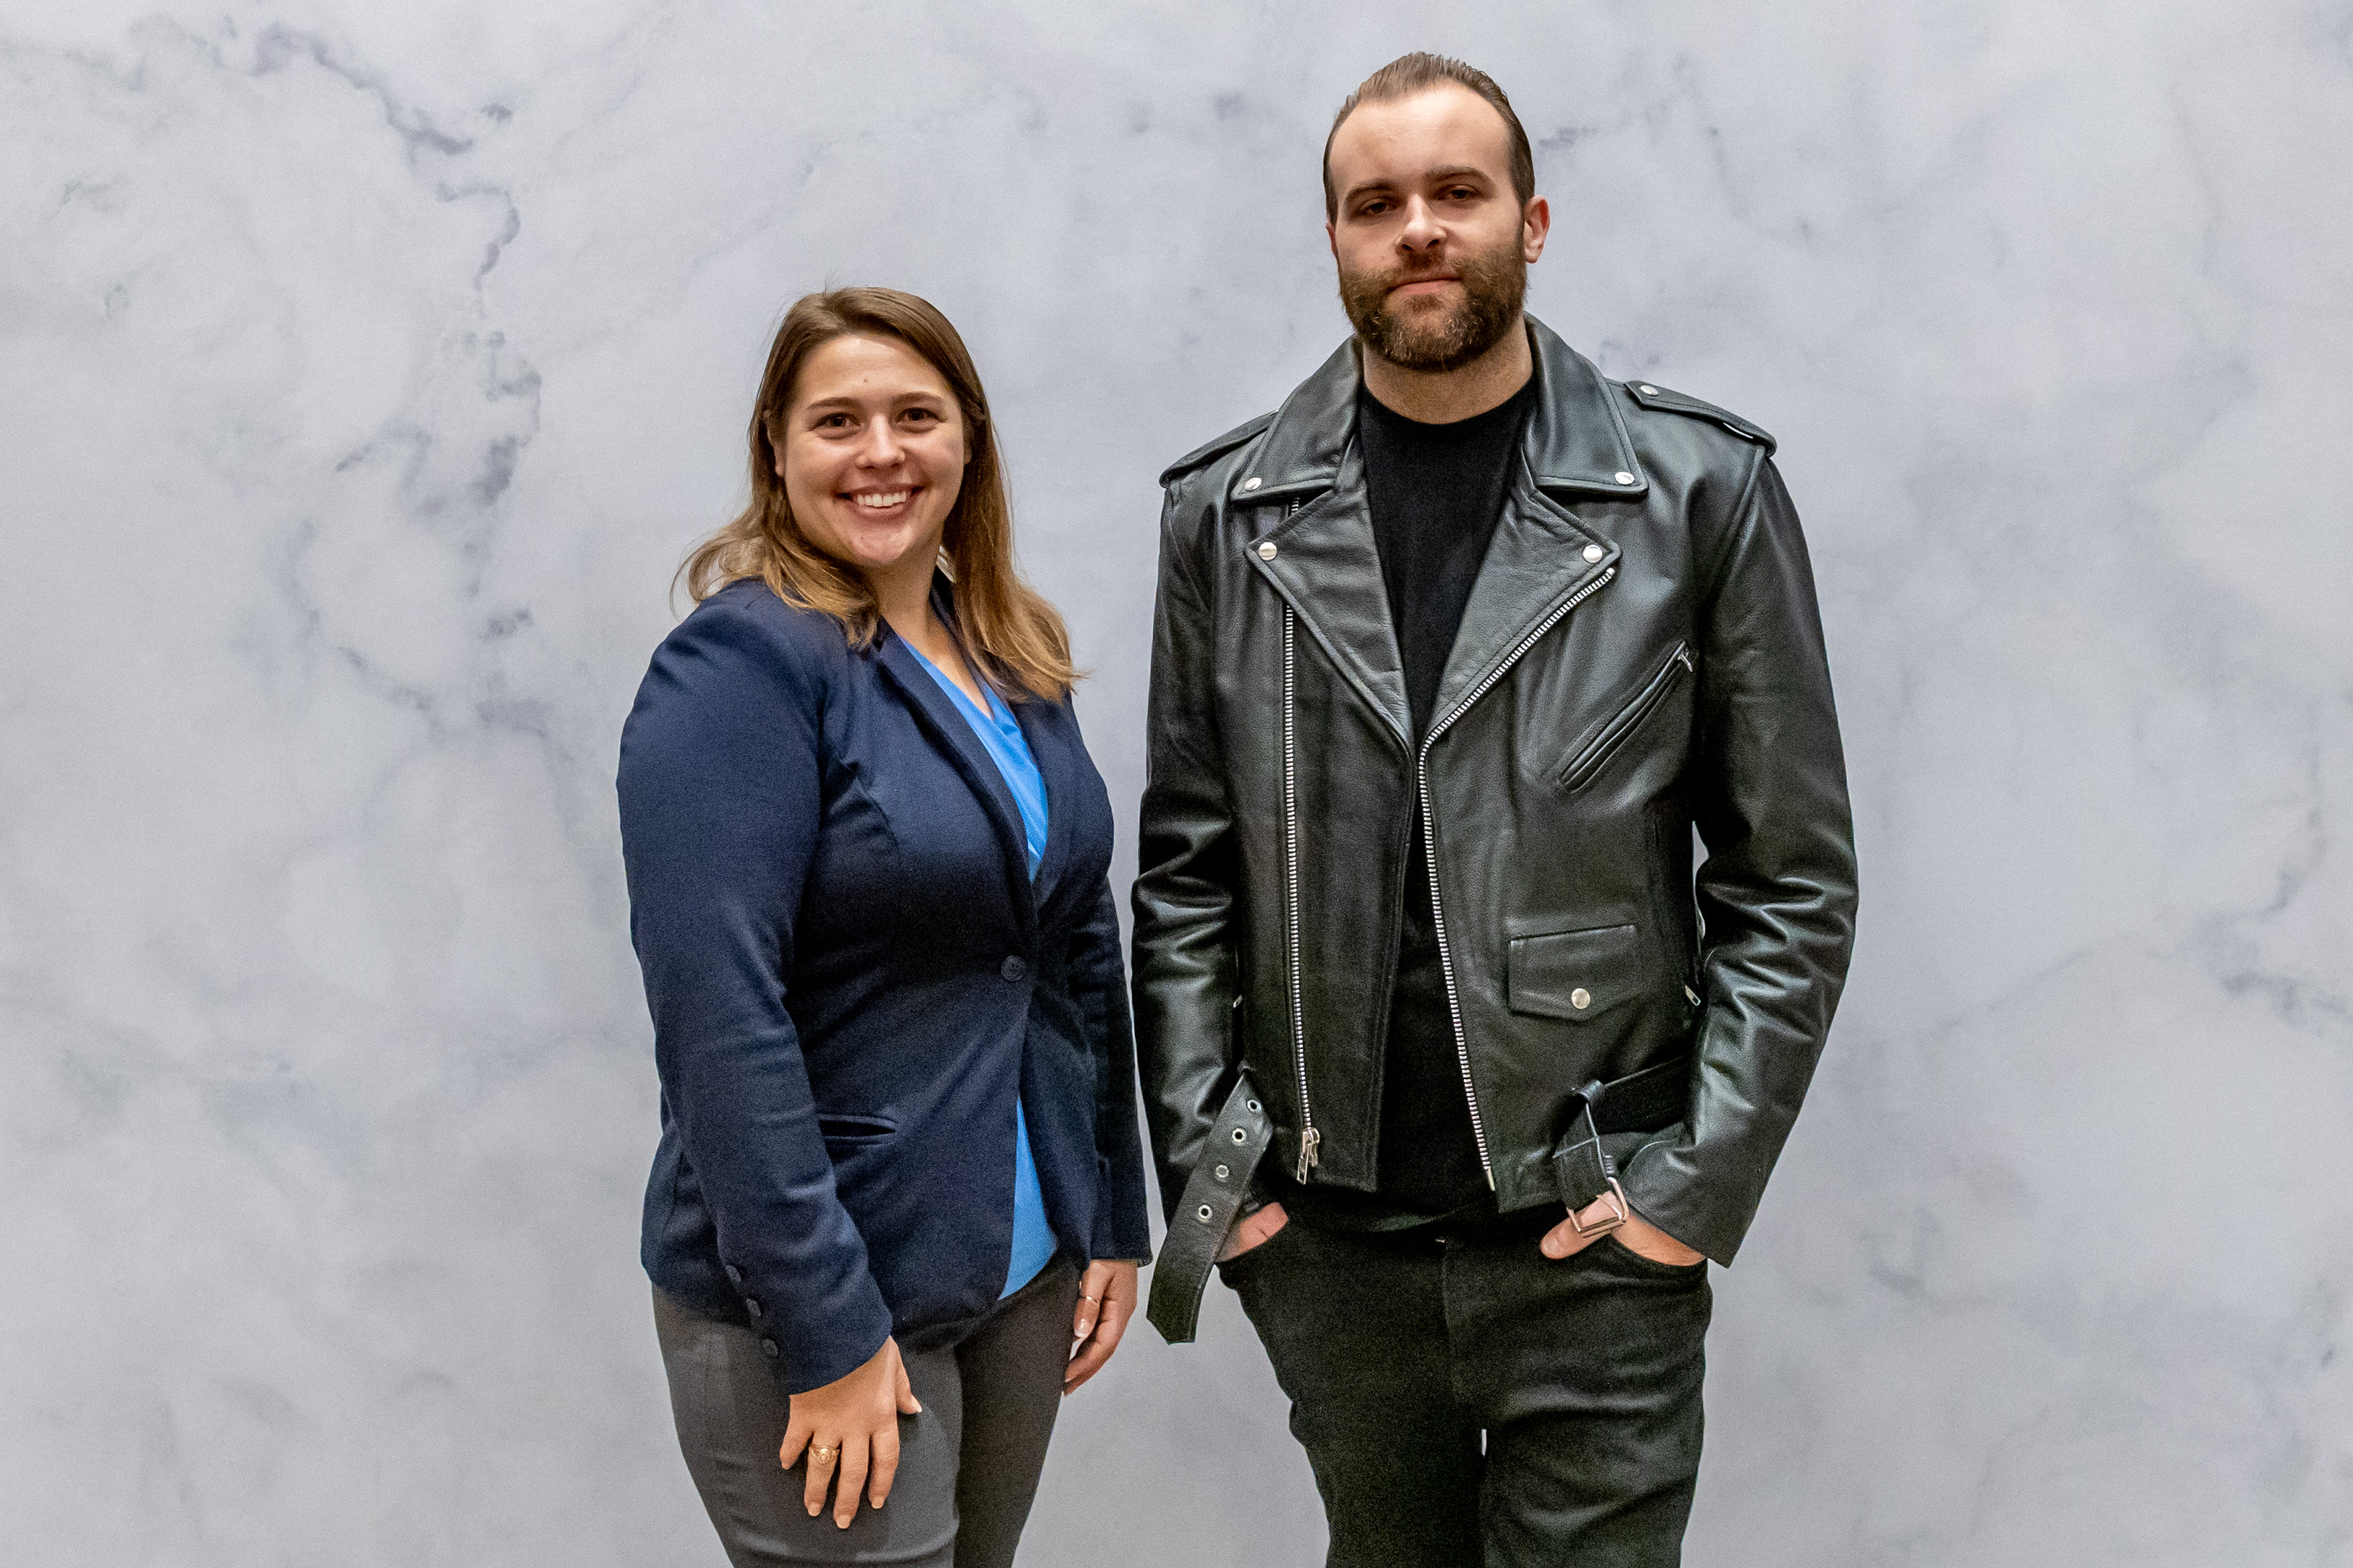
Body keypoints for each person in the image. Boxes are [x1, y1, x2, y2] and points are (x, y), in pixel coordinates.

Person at [1133, 53, 1859, 1567]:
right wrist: (1217, 1172)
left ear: (1530, 223)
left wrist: (1688, 1188)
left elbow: (1789, 880)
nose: (1417, 228)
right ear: (1334, 240)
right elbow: (1186, 873)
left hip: (1595, 1225)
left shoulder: (1694, 494)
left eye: (1455, 192)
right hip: (1331, 1244)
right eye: (1375, 203)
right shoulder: (1228, 514)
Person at [618, 286, 1152, 1568]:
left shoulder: (1009, 649)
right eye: (836, 421)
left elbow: (1074, 947)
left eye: (915, 416)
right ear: (777, 447)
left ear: (968, 439)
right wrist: (826, 1327)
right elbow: (718, 1019)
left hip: (1019, 1274)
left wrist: (1109, 1209)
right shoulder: (739, 668)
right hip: (826, 1292)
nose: (880, 453)